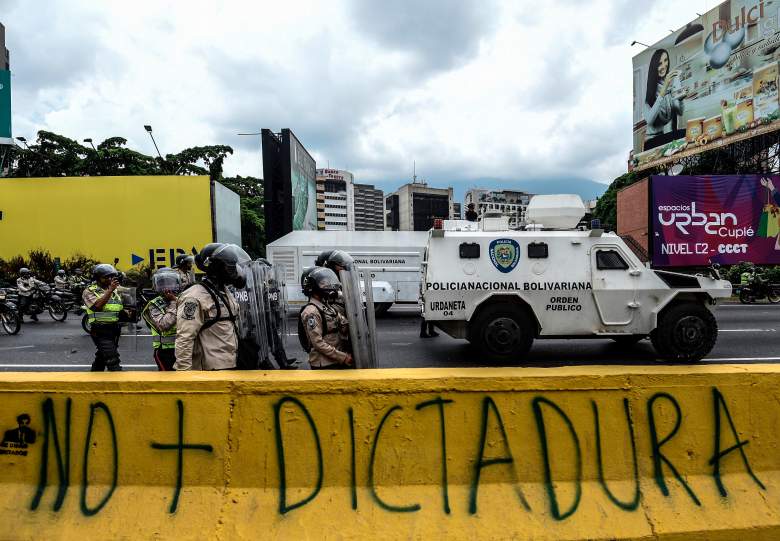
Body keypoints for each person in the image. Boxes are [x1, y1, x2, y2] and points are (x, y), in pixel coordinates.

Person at [174, 243, 246, 371]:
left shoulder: (224, 291)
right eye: (229, 266)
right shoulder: (194, 297)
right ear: (217, 267)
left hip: (231, 364)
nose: (234, 270)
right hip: (210, 372)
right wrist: (184, 375)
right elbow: (184, 338)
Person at [300, 267, 353, 369]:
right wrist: (343, 357)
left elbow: (343, 324)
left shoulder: (327, 306)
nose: (328, 286)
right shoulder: (312, 311)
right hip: (324, 364)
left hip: (335, 360)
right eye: (323, 283)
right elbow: (318, 343)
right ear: (313, 286)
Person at [82, 264, 125, 371]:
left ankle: (94, 378)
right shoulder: (89, 291)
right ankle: (119, 383)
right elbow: (97, 306)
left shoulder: (116, 290)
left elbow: (119, 306)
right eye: (106, 277)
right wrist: (110, 291)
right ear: (97, 278)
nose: (109, 279)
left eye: (111, 276)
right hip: (100, 330)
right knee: (112, 359)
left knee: (101, 357)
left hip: (114, 329)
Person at [643, 48, 684, 151]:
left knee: (686, 133)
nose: (663, 66)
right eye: (659, 63)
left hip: (665, 136)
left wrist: (678, 86)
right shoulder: (649, 90)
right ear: (654, 67)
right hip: (652, 142)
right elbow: (649, 120)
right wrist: (665, 87)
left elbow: (680, 111)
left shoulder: (669, 83)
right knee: (683, 135)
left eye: (666, 60)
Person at [142, 268, 181, 371]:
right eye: (163, 284)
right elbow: (164, 325)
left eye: (171, 283)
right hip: (165, 351)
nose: (167, 287)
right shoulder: (154, 304)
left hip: (184, 348)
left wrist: (175, 301)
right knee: (168, 382)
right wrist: (173, 303)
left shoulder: (183, 299)